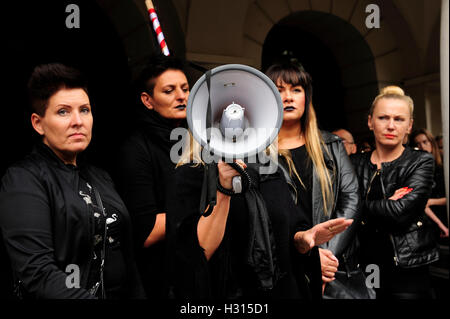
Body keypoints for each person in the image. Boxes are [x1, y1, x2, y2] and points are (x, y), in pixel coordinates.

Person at [0, 63, 145, 299]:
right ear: (38, 123)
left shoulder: (100, 176)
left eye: (85, 110)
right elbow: (38, 272)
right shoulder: (24, 179)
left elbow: (128, 261)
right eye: (63, 112)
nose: (78, 121)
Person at [169, 134, 353, 299]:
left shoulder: (270, 173)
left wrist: (304, 239)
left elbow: (290, 232)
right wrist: (224, 188)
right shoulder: (190, 177)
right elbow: (196, 255)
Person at [265, 62, 366, 299]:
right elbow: (261, 217)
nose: (288, 97)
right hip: (284, 271)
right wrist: (307, 257)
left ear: (306, 96)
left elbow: (351, 198)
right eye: (279, 90)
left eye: (296, 89)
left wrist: (324, 256)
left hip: (333, 268)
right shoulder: (255, 154)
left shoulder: (330, 145)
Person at [352, 86, 440, 299]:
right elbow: (341, 211)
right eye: (383, 117)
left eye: (399, 119)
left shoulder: (420, 162)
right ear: (370, 121)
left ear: (409, 126)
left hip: (408, 266)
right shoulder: (354, 164)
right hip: (365, 263)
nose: (391, 125)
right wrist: (383, 204)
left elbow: (399, 211)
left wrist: (361, 210)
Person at [113, 55, 189, 298]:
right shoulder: (135, 149)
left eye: (185, 89)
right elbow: (145, 232)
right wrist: (206, 206)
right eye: (169, 90)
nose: (181, 96)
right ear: (148, 100)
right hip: (158, 280)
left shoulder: (196, 141)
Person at [410, 128, 448, 239]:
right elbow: (421, 203)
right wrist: (440, 225)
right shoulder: (417, 172)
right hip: (430, 224)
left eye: (425, 142)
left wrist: (432, 201)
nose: (422, 146)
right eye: (417, 144)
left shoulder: (443, 167)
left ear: (432, 143)